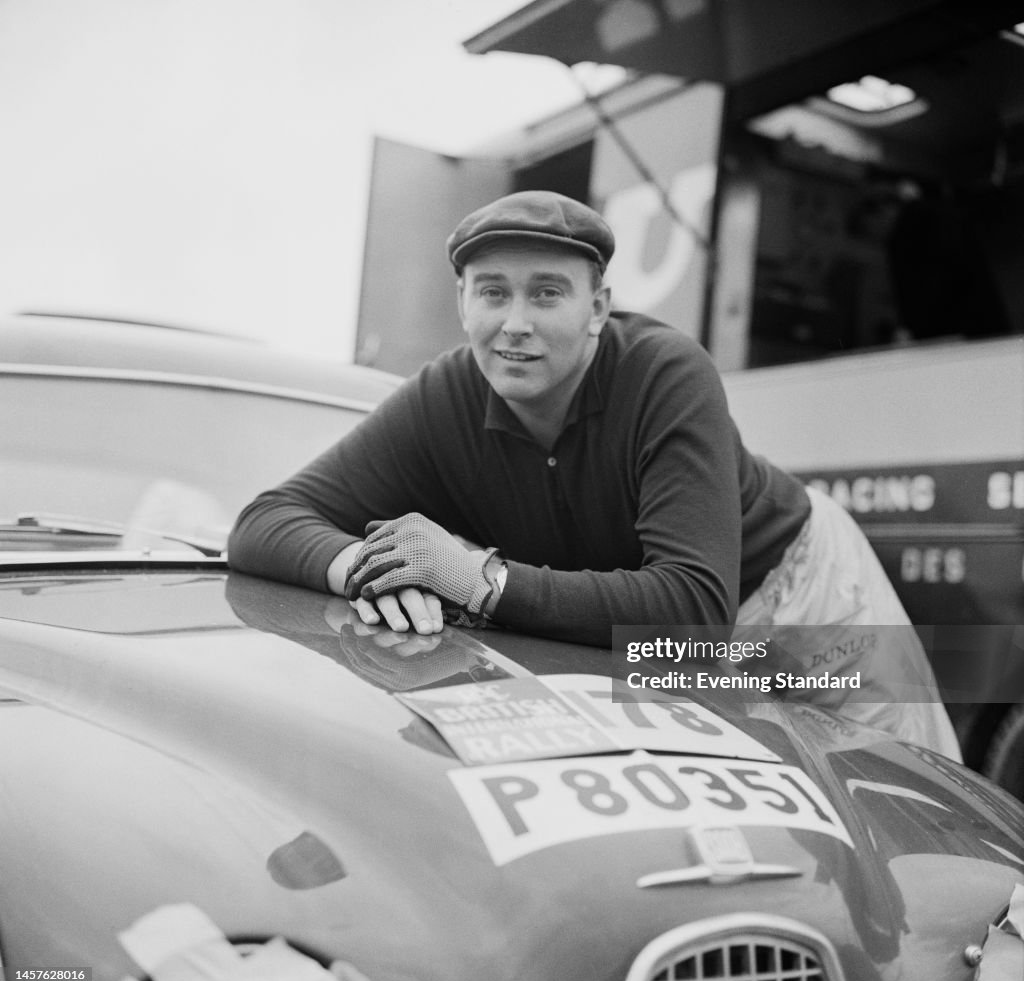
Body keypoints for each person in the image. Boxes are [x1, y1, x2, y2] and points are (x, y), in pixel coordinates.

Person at [228, 190, 961, 759]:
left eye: (547, 293)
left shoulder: (665, 372)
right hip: (642, 637)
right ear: (463, 303)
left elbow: (693, 614)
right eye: (492, 292)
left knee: (901, 798)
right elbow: (263, 522)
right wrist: (369, 567)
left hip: (799, 592)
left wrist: (477, 578)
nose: (515, 322)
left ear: (598, 308)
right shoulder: (442, 395)